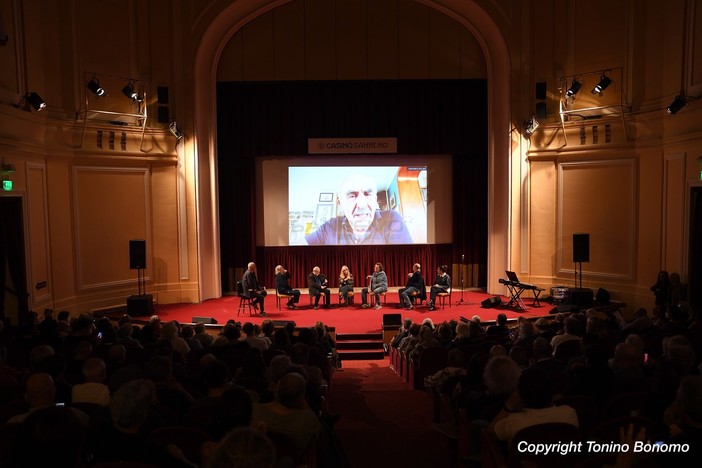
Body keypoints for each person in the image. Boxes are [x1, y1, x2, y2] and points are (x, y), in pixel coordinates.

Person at [304, 173, 413, 245]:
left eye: (367, 194)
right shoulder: (329, 227)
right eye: (352, 196)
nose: (362, 204)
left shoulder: (391, 218)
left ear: (375, 200)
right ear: (340, 203)